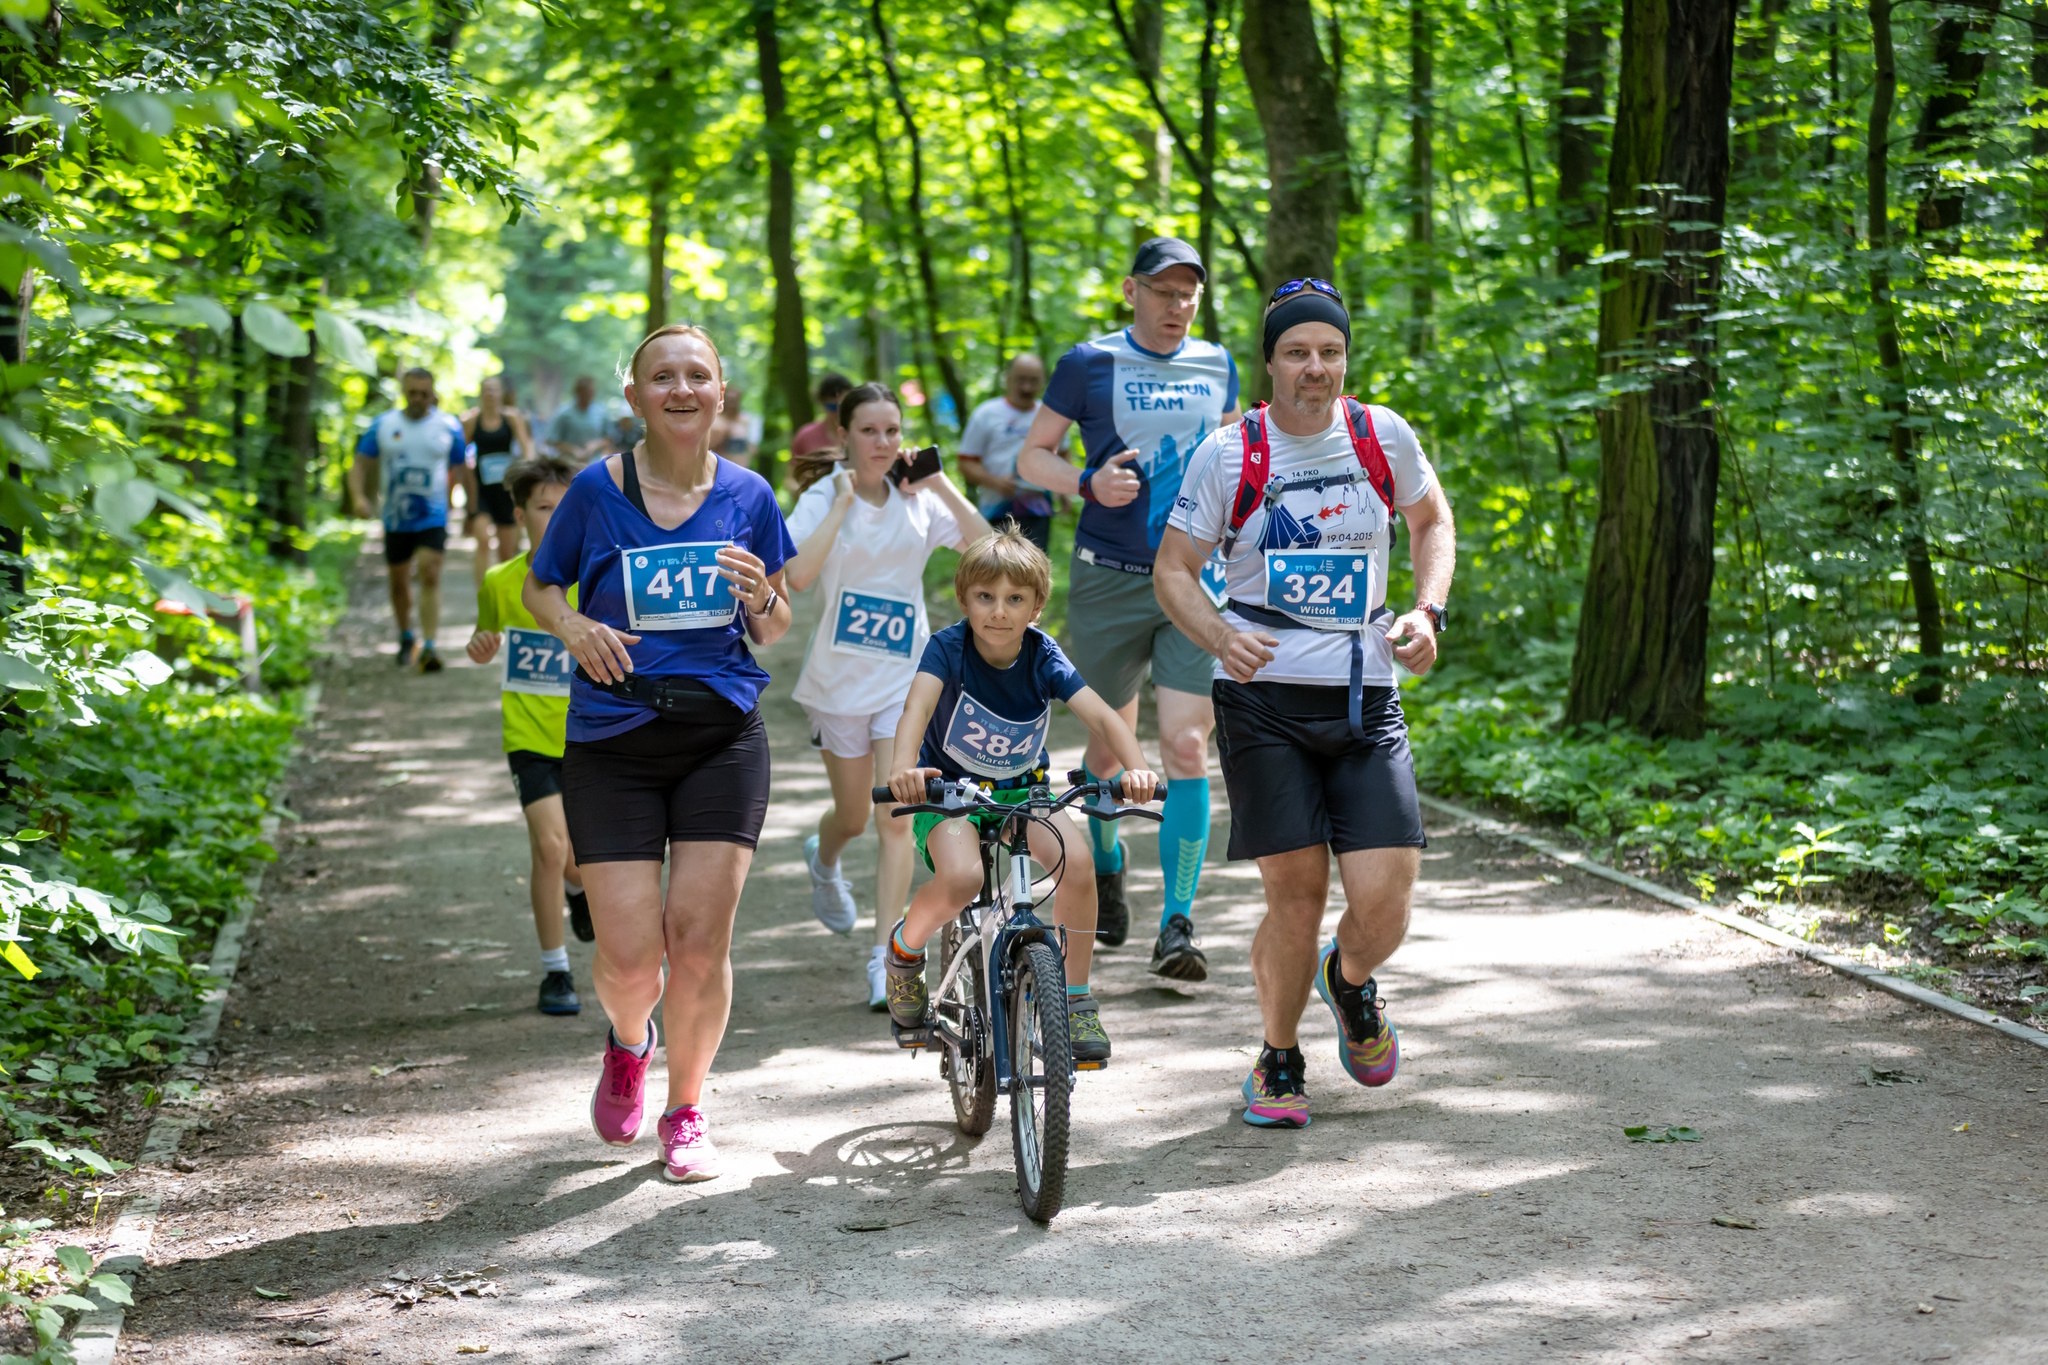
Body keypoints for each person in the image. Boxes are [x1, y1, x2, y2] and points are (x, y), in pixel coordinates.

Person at [1154, 278, 1455, 1129]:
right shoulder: (1229, 453)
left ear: (1344, 359)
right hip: (1262, 700)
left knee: (1387, 899)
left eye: (1329, 351)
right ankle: (1279, 1055)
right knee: (1297, 891)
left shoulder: (1380, 436)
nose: (1314, 367)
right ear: (1271, 361)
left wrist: (1427, 611)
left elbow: (1433, 522)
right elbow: (1174, 567)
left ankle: (1348, 980)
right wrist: (1218, 636)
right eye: (1297, 351)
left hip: (1365, 694)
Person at [523, 324, 797, 1182]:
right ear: (635, 395)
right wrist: (572, 624)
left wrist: (764, 601)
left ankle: (686, 1109)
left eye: (698, 376)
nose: (681, 389)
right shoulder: (594, 494)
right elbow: (540, 584)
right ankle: (627, 1038)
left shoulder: (750, 493)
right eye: (662, 376)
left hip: (722, 735)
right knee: (631, 957)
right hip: (613, 740)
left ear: (721, 394)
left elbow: (774, 623)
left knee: (701, 941)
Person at [1015, 235, 1239, 979]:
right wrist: (1086, 482)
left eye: (1188, 295)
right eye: (1164, 291)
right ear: (1130, 290)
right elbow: (1029, 456)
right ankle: (1107, 861)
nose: (1177, 306)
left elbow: (1237, 458)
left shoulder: (1218, 362)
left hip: (1192, 578)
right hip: (1108, 578)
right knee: (1108, 751)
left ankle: (1178, 922)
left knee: (1183, 747)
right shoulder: (1089, 362)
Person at [882, 530, 1159, 1068]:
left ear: (1036, 605)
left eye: (1015, 599)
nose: (999, 612)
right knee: (962, 879)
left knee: (1077, 864)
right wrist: (903, 767)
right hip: (952, 792)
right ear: (964, 600)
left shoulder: (1042, 655)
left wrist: (1138, 768)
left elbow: (1101, 714)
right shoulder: (948, 648)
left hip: (1024, 790)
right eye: (985, 597)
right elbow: (915, 710)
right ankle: (905, 949)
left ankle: (1076, 999)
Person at [783, 383, 990, 1009]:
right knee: (851, 817)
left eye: (893, 431)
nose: (883, 443)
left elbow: (986, 550)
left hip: (905, 683)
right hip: (838, 683)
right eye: (869, 431)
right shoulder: (825, 496)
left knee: (893, 817)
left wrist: (940, 484)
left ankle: (884, 957)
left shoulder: (917, 500)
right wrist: (843, 503)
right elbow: (797, 575)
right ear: (843, 435)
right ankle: (824, 859)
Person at [464, 454, 592, 1016]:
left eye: (567, 507)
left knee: (580, 861)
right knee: (549, 846)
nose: (557, 516)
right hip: (528, 736)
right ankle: (555, 972)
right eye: (545, 508)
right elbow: (484, 634)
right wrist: (480, 646)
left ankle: (577, 889)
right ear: (520, 515)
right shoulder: (500, 581)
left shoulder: (597, 580)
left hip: (590, 735)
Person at [349, 367, 475, 672]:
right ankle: (407, 635)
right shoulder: (383, 425)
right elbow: (359, 465)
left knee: (430, 573)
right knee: (399, 583)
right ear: (404, 392)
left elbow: (464, 469)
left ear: (432, 393)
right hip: (395, 519)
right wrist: (358, 497)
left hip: (433, 517)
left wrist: (472, 509)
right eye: (411, 393)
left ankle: (430, 644)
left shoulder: (447, 426)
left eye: (423, 393)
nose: (417, 398)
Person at [958, 355, 1066, 553]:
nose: (1026, 387)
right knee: (996, 573)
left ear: (1044, 381)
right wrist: (995, 482)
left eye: (1033, 380)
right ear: (1008, 378)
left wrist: (1063, 492)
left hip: (1038, 510)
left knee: (1034, 573)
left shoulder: (1051, 415)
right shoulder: (986, 414)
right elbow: (966, 463)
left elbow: (1063, 457)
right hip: (995, 511)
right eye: (1020, 379)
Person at [464, 375, 537, 577]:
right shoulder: (472, 421)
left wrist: (527, 470)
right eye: (486, 389)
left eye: (494, 389)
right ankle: (482, 597)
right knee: (483, 541)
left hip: (506, 491)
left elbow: (526, 446)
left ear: (501, 393)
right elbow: (461, 453)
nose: (490, 393)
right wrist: (466, 477)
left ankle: (501, 598)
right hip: (482, 490)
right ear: (481, 393)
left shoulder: (511, 418)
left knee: (506, 552)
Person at [788, 372, 852, 472]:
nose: (838, 412)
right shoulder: (806, 435)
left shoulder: (861, 434)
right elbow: (790, 479)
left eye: (844, 406)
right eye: (832, 407)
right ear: (822, 404)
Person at [546, 375, 612, 464]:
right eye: (586, 392)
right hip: (569, 463)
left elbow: (608, 438)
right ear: (578, 392)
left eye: (591, 392)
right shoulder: (565, 413)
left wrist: (595, 444)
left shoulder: (600, 412)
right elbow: (551, 440)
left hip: (593, 463)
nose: (589, 395)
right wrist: (573, 450)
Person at [709, 383, 762, 469]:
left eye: (734, 400)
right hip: (717, 468)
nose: (731, 404)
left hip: (741, 467)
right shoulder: (715, 421)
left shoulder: (747, 421)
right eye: (729, 399)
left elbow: (754, 449)